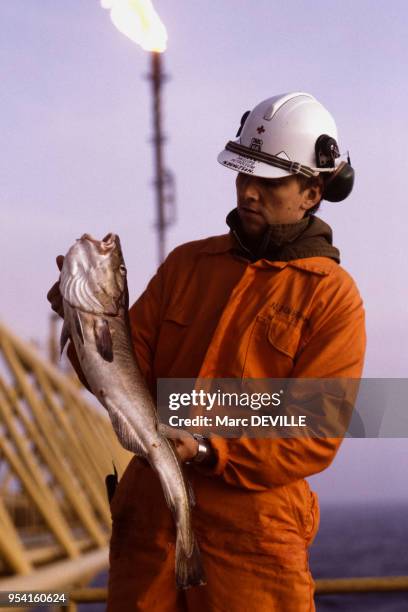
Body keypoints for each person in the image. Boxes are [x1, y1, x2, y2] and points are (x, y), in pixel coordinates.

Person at [48, 91, 366, 611]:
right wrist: (84, 326)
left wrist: (207, 447)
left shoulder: (331, 296)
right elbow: (125, 382)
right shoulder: (186, 266)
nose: (249, 191)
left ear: (312, 191)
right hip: (149, 524)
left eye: (269, 181)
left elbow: (315, 432)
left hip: (253, 543)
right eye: (243, 174)